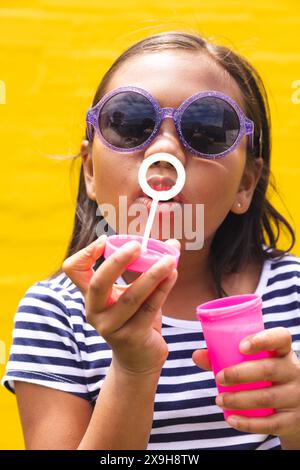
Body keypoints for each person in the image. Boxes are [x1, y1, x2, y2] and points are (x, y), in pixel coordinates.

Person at [2, 31, 300, 450]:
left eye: (208, 130)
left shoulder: (296, 295)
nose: (165, 150)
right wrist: (133, 368)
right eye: (129, 123)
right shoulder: (56, 316)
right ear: (90, 171)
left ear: (245, 186)